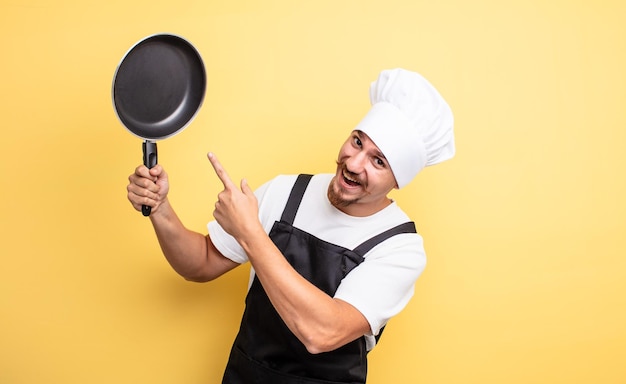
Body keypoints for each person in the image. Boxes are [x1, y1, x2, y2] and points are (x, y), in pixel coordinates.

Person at [126, 68, 455, 384]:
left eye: (378, 161)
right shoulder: (287, 191)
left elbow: (322, 333)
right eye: (357, 142)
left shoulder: (400, 248)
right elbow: (200, 263)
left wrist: (250, 232)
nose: (354, 163)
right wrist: (160, 208)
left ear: (398, 180)